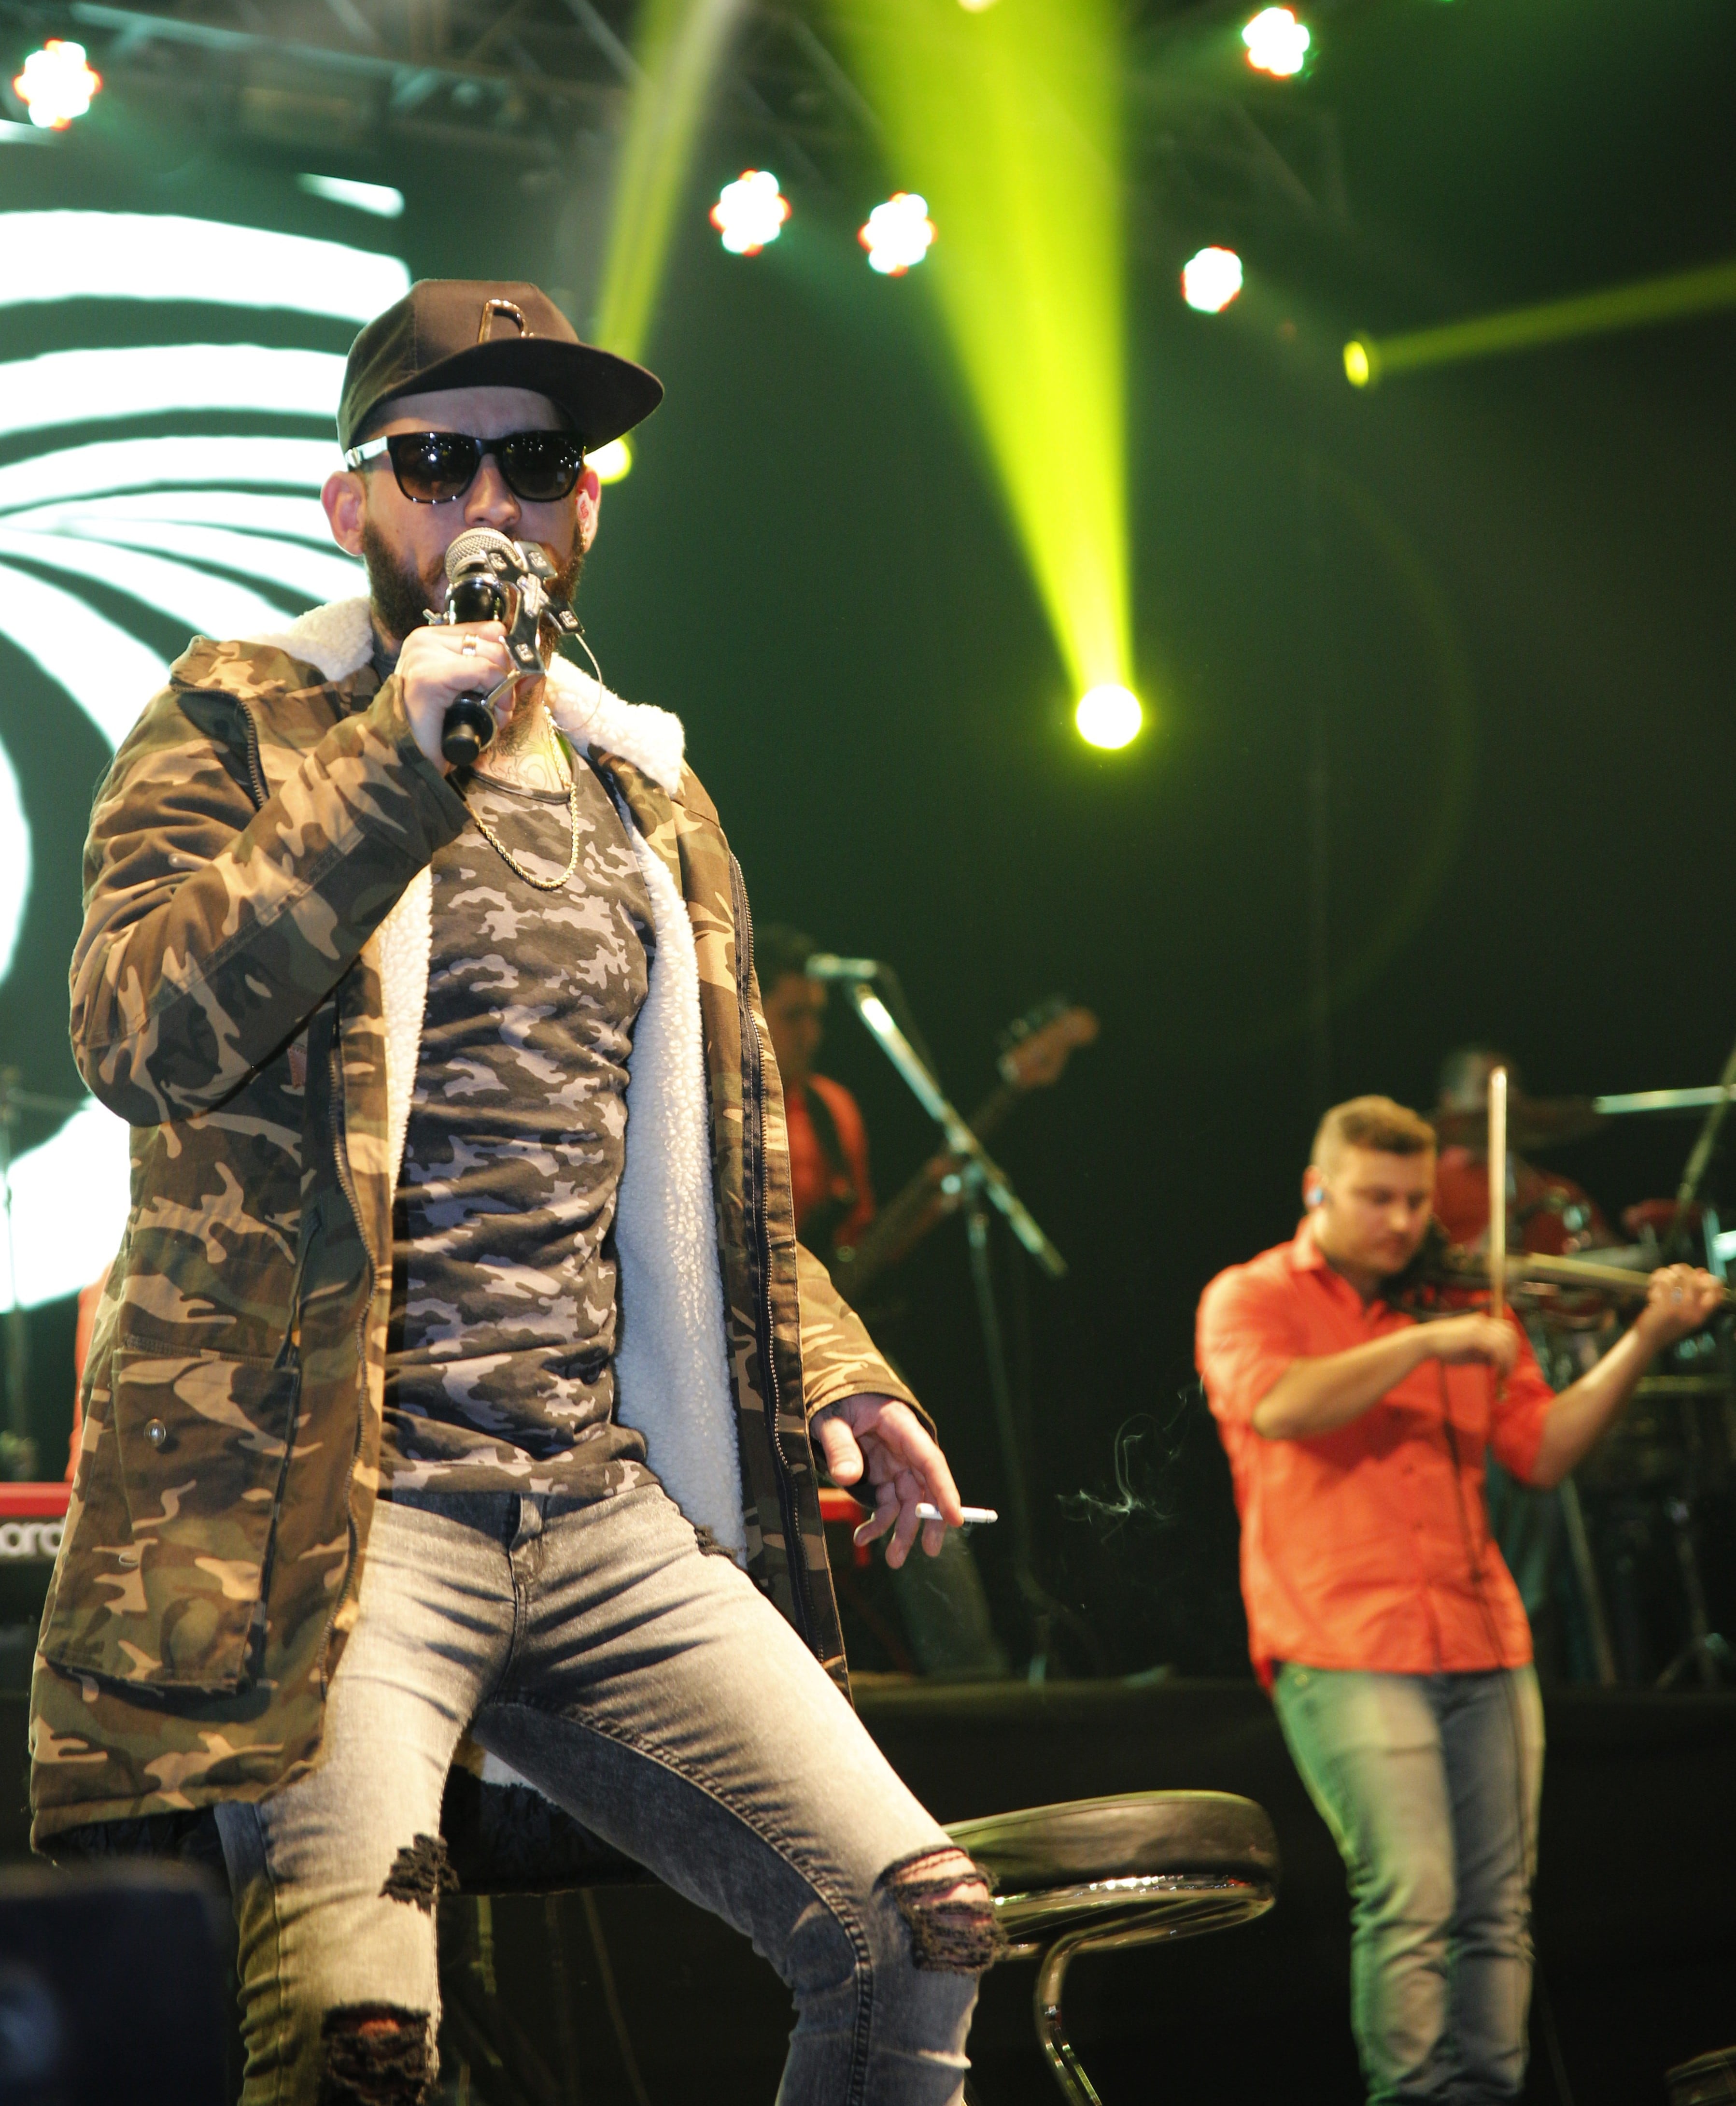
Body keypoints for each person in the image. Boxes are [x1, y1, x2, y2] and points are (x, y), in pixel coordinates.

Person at [29, 279, 996, 2106]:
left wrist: (840, 1369)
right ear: (354, 503)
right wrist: (398, 749)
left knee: (914, 1932)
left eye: (536, 460)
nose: (491, 499)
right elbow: (138, 1033)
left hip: (597, 1510)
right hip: (339, 1522)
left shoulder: (651, 795)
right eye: (437, 457)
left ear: (587, 504)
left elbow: (704, 1171)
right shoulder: (242, 719)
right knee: (358, 2050)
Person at [1196, 1094, 1721, 2106]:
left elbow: (1546, 1448)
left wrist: (1645, 1337)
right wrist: (1421, 1348)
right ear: (1320, 1188)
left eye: (1413, 1200)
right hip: (1343, 1643)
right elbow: (1279, 1404)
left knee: (1497, 1908)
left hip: (1483, 1636)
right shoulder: (1250, 1296)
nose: (1399, 1220)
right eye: (1376, 1198)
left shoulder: (1464, 1302)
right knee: (1413, 1893)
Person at [757, 924, 876, 1264]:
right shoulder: (717, 1110)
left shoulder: (833, 1105)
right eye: (794, 1017)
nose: (811, 1035)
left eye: (816, 1017)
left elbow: (860, 1233)